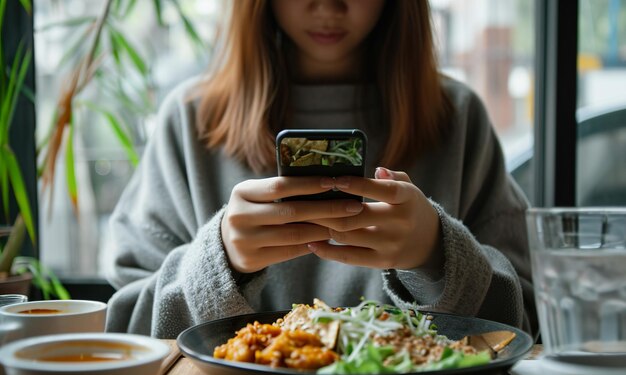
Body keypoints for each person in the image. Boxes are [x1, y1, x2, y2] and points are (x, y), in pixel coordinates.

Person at [104, 0, 538, 340]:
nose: (329, 6)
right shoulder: (189, 122)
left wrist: (439, 256)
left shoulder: (458, 119)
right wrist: (217, 265)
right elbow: (126, 329)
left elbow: (531, 322)